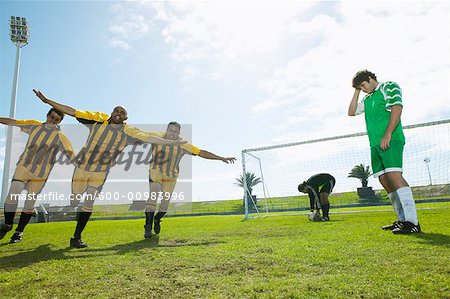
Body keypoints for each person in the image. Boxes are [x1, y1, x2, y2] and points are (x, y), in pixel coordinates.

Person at [33, 89, 186, 248]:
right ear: (111, 113)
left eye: (122, 112)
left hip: (101, 172)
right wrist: (47, 101)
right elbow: (72, 111)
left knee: (89, 202)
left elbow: (149, 138)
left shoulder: (128, 132)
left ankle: (76, 237)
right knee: (76, 198)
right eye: (116, 110)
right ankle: (75, 198)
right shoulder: (97, 120)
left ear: (125, 118)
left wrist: (171, 143)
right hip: (83, 167)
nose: (118, 112)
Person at [348, 70, 420, 234]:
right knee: (384, 179)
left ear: (370, 78)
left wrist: (388, 133)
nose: (363, 89)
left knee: (394, 175)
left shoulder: (389, 86)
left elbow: (396, 107)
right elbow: (351, 112)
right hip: (375, 145)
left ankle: (413, 222)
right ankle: (402, 221)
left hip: (391, 139)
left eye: (363, 85)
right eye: (361, 88)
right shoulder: (367, 99)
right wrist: (357, 90)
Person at [143, 121, 236, 238]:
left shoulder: (183, 144)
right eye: (170, 130)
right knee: (153, 196)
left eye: (175, 131)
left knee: (164, 205)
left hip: (171, 177)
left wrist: (221, 158)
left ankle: (157, 219)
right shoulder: (157, 137)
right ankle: (147, 227)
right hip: (155, 172)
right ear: (167, 130)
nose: (172, 133)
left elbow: (201, 152)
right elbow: (138, 134)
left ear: (179, 133)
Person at [0, 107, 75, 243]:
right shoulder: (34, 126)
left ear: (60, 122)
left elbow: (71, 155)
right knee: (13, 192)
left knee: (29, 204)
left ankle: (19, 232)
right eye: (51, 117)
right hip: (24, 166)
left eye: (56, 120)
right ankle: (8, 224)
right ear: (47, 116)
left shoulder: (61, 137)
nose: (53, 121)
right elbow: (14, 122)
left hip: (41, 175)